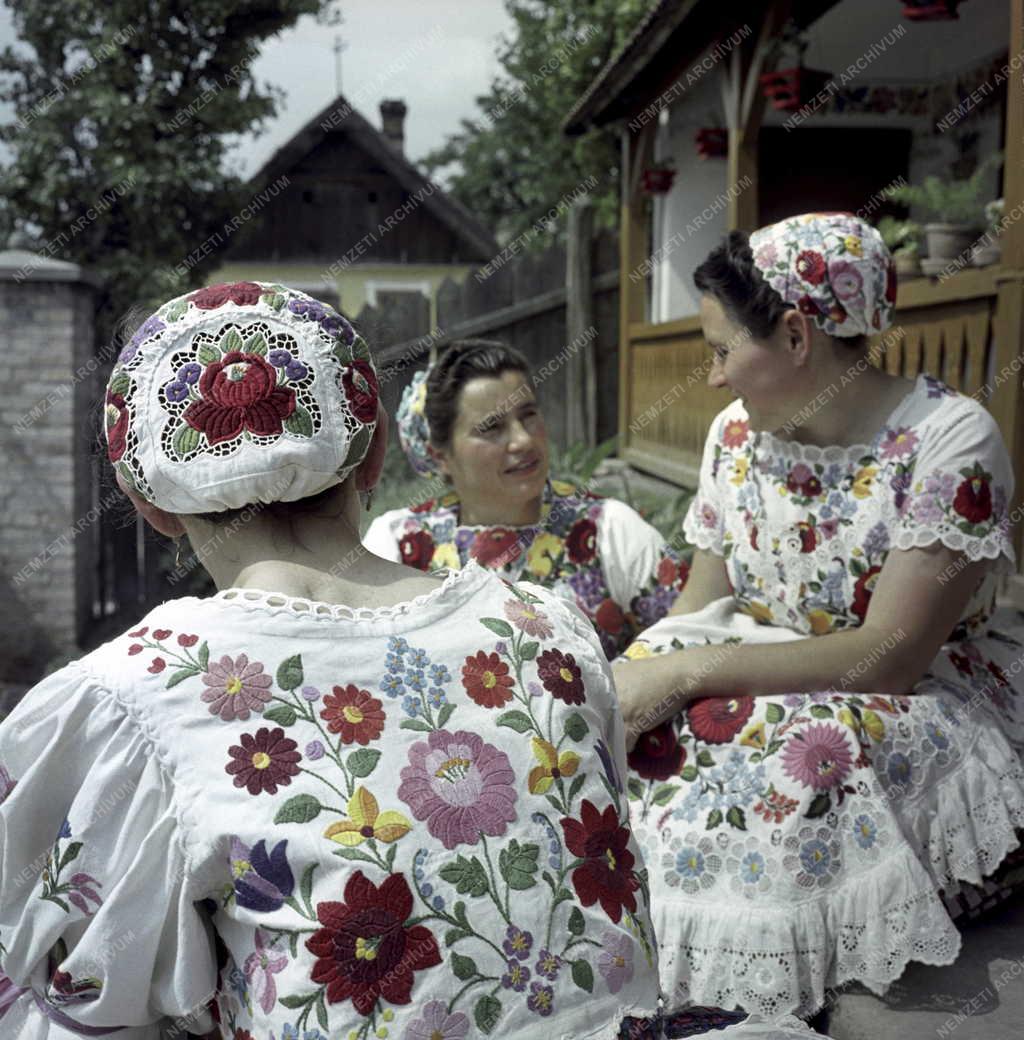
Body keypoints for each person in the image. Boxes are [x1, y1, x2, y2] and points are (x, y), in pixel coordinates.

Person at [0, 281, 670, 1040]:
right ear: (376, 450)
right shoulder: (550, 628)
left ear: (146, 502)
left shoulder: (138, 696)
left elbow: (77, 987)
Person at [611, 213, 1024, 1023]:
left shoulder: (949, 441)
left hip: (916, 694)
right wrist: (635, 673)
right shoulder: (737, 437)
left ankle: (759, 977)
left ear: (797, 336)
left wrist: (691, 672)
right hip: (768, 669)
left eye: (722, 351)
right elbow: (700, 605)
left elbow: (890, 657)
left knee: (795, 751)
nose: (714, 379)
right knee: (642, 720)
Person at [363, 340, 689, 659]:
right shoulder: (399, 542)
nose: (522, 440)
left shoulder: (606, 528)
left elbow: (691, 631)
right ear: (441, 456)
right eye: (492, 427)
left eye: (528, 415)